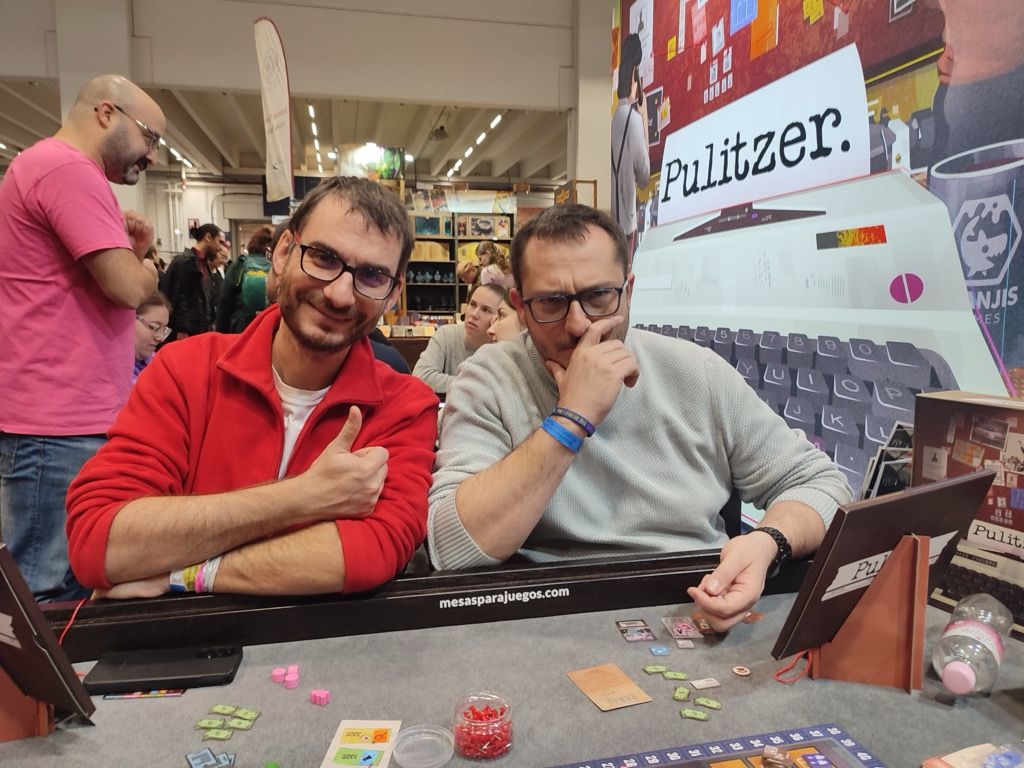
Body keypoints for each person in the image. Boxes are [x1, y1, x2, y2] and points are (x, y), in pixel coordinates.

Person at [427, 205, 852, 631]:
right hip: (542, 616)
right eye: (551, 302)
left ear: (628, 291)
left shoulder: (695, 372)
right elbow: (452, 549)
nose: (578, 325)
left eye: (598, 297)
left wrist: (767, 543)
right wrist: (571, 419)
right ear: (519, 304)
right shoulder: (487, 378)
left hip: (695, 603)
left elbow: (823, 484)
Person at [66, 176, 439, 599]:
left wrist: (183, 574)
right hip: (181, 650)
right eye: (323, 257)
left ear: (393, 294)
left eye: (372, 276)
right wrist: (303, 497)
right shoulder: (185, 369)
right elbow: (100, 540)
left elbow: (371, 553)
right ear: (283, 252)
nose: (339, 295)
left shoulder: (406, 404)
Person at [0, 73, 163, 602]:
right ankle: (44, 690)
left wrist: (133, 259)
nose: (153, 156)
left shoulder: (54, 168)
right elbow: (125, 288)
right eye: (150, 137)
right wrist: (147, 273)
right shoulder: (67, 168)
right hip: (56, 421)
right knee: (45, 592)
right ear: (106, 113)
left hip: (65, 418)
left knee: (66, 580)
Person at [412, 283, 506, 394]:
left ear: (498, 318)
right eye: (472, 304)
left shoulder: (503, 347)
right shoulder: (446, 335)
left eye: (485, 310)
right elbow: (421, 376)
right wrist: (474, 385)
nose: (474, 314)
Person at [611, 32, 651, 261]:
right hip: (627, 219)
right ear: (634, 76)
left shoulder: (613, 119)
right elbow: (644, 175)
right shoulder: (632, 119)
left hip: (612, 218)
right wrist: (643, 118)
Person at [160, 223, 225, 340]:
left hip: (201, 331)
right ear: (208, 237)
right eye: (219, 242)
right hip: (186, 334)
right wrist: (182, 329)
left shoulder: (204, 266)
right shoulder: (183, 263)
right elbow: (178, 297)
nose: (220, 248)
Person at [216, 225, 275, 333]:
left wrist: (221, 335)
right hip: (270, 328)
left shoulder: (240, 264)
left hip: (243, 327)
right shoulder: (277, 266)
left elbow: (224, 302)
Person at [133, 291, 172, 383]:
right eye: (155, 327)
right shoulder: (107, 372)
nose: (161, 338)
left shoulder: (159, 364)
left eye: (164, 330)